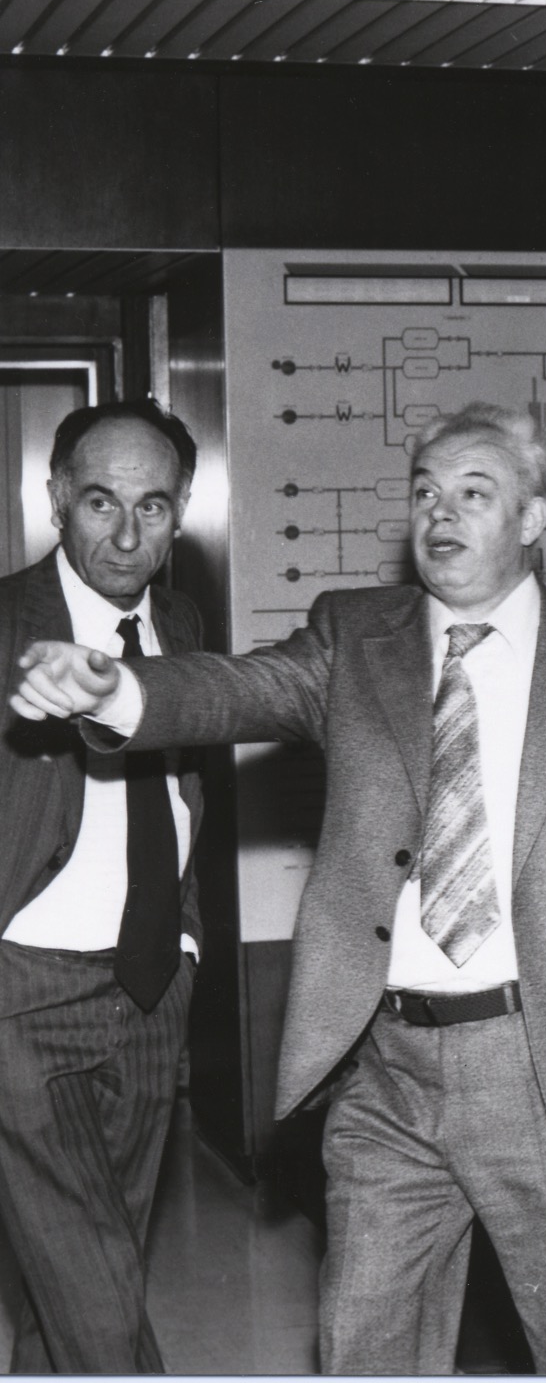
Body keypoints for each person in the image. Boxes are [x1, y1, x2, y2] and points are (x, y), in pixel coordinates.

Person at [10, 402, 546, 1375]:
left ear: (531, 517)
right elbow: (238, 689)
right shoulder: (355, 636)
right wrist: (119, 692)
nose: (442, 513)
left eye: (473, 493)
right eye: (425, 492)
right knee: (364, 1347)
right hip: (387, 1069)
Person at [0, 403, 204, 1372]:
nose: (126, 536)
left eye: (151, 506)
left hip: (151, 982)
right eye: (100, 502)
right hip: (21, 991)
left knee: (79, 1273)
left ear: (181, 511)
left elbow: (185, 790)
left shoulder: (182, 624)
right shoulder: (4, 623)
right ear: (56, 500)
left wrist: (188, 943)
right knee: (96, 1287)